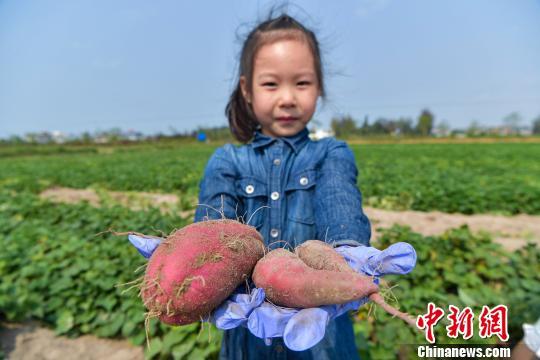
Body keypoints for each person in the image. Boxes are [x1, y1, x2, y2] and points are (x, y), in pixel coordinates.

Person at [194, 12, 371, 359]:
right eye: (271, 84)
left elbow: (339, 201)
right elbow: (216, 228)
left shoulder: (330, 153)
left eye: (302, 83)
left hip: (321, 337)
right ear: (247, 89)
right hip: (249, 335)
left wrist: (347, 253)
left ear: (319, 87)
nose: (288, 98)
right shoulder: (227, 161)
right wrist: (199, 262)